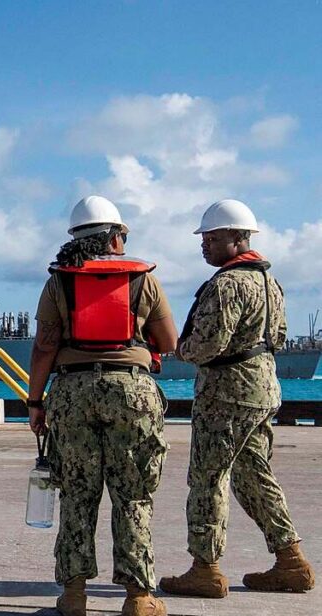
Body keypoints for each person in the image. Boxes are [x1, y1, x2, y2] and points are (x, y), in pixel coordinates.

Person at [26, 196, 178, 616]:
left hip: (72, 393)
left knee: (77, 494)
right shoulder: (143, 279)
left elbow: (44, 348)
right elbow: (169, 342)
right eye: (123, 235)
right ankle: (139, 598)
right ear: (113, 238)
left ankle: (74, 596)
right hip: (132, 392)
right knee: (133, 496)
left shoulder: (58, 282)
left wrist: (35, 402)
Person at [160, 199, 315, 597]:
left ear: (238, 237)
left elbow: (207, 344)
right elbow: (279, 336)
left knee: (208, 478)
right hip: (263, 388)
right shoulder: (269, 281)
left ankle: (205, 568)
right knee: (253, 475)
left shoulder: (226, 284)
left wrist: (179, 350)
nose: (204, 245)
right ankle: (291, 560)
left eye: (212, 238)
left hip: (225, 394)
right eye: (204, 239)